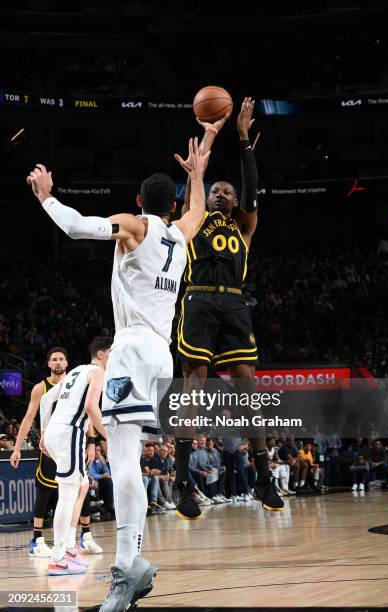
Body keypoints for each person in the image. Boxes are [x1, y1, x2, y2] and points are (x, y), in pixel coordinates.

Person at [27, 135, 209, 610]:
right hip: (162, 355)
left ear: (138, 202)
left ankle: (130, 566)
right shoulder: (179, 234)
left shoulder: (135, 226)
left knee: (124, 458)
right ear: (171, 204)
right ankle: (131, 565)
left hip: (129, 349)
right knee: (127, 454)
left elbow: (77, 228)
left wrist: (47, 195)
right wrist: (199, 167)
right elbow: (198, 212)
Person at [174, 97, 283, 519]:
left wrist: (244, 140)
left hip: (234, 304)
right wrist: (204, 154)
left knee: (247, 392)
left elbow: (252, 189)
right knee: (193, 391)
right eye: (214, 190)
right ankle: (183, 484)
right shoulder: (195, 216)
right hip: (198, 297)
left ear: (236, 201)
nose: (219, 194)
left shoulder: (246, 225)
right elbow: (196, 189)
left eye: (226, 191)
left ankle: (263, 478)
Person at [43, 336, 111, 575]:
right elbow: (92, 407)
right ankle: (58, 556)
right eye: (112, 353)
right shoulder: (98, 372)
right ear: (102, 354)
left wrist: (43, 434)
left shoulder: (76, 372)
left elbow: (45, 399)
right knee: (67, 495)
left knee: (81, 484)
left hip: (55, 431)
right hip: (69, 433)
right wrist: (108, 437)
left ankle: (70, 548)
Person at [10, 347, 67, 556]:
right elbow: (28, 418)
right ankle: (37, 540)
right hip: (49, 446)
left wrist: (91, 442)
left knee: (74, 491)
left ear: (67, 363)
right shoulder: (40, 388)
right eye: (54, 359)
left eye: (61, 359)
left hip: (70, 445)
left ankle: (72, 539)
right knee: (45, 491)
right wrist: (16, 448)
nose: (58, 362)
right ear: (49, 364)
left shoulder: (75, 384)